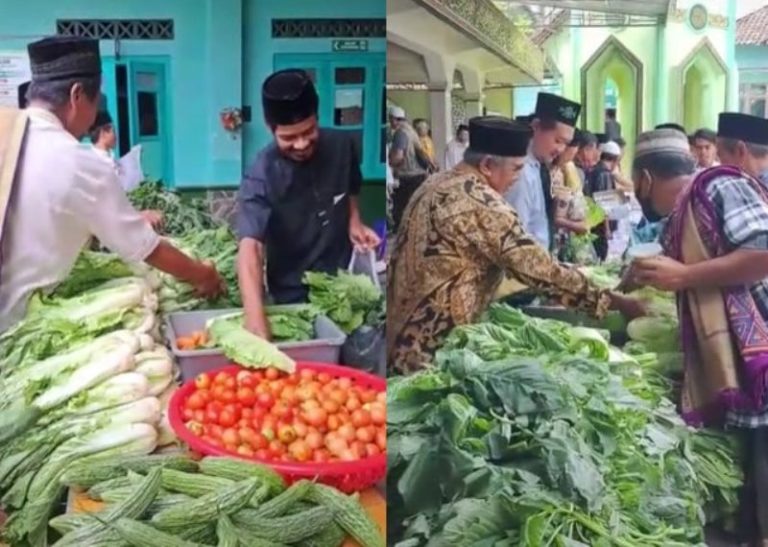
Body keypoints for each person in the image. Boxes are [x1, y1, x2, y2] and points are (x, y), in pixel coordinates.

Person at [0, 36, 224, 333]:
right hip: (16, 330)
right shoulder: (79, 163)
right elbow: (147, 248)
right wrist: (203, 275)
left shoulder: (7, 134)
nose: (93, 120)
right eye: (96, 104)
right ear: (77, 95)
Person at [387, 116, 643, 373]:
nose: (517, 178)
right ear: (487, 165)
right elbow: (540, 271)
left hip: (397, 338)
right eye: (516, 169)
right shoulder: (485, 204)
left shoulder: (434, 183)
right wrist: (610, 301)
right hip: (429, 352)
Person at [630, 116, 768, 546]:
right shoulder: (685, 210)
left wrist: (686, 276)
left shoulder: (717, 185)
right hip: (745, 360)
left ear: (645, 178)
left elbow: (764, 252)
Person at [236, 68, 380, 339]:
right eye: (288, 138)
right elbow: (250, 247)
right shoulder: (261, 174)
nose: (301, 144)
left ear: (317, 117)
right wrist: (254, 319)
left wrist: (354, 220)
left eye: (308, 131)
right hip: (293, 293)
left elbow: (350, 186)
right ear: (270, 128)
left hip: (342, 284)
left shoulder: (342, 145)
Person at [505, 92, 581, 251]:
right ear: (535, 127)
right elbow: (516, 238)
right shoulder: (521, 172)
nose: (561, 149)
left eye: (565, 144)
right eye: (557, 141)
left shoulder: (538, 166)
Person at [88, 110, 163, 229]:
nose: (116, 136)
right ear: (104, 132)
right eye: (113, 130)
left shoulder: (106, 158)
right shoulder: (98, 163)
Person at [389, 106, 430, 233]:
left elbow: (398, 156)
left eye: (390, 120)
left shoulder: (400, 133)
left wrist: (390, 162)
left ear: (394, 119)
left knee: (402, 210)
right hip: (418, 175)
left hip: (407, 177)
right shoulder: (411, 131)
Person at [550, 132, 588, 260]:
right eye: (568, 156)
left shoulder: (563, 171)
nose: (569, 161)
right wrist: (576, 225)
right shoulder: (549, 173)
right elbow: (555, 217)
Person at [584, 141, 622, 261]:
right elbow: (605, 205)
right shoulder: (605, 174)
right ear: (616, 160)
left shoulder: (593, 171)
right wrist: (607, 229)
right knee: (600, 258)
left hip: (592, 223)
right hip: (600, 228)